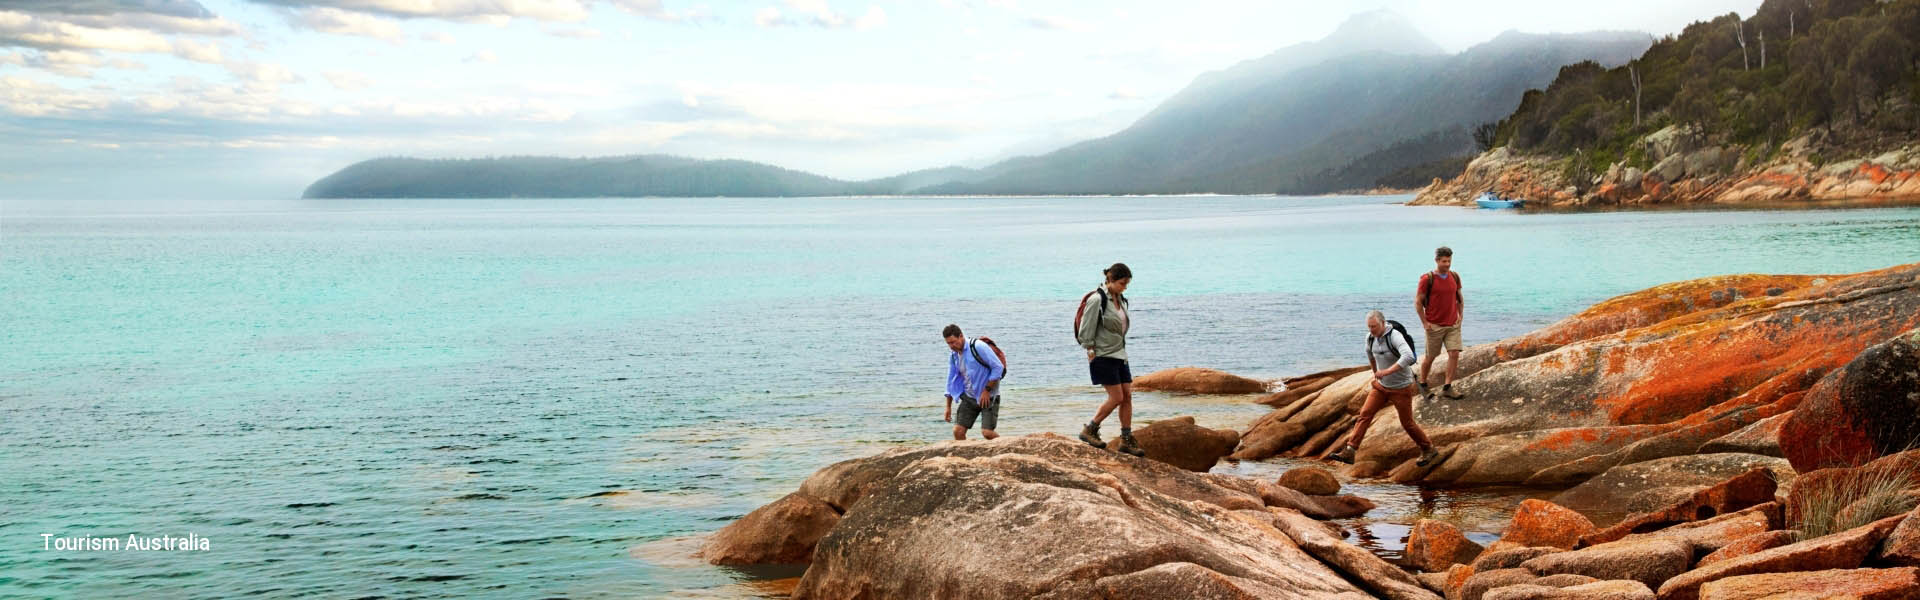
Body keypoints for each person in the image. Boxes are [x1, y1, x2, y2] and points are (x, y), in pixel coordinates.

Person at [1329, 310, 1440, 467]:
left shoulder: (1394, 336)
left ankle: (1428, 448)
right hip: (1381, 387)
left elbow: (1408, 356)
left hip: (1401, 388)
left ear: (1382, 323)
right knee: (1364, 415)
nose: (1371, 330)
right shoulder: (1369, 338)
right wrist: (1376, 375)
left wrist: (1387, 371)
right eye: (1369, 327)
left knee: (1407, 423)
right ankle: (1350, 450)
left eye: (1374, 326)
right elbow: (1371, 355)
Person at [1076, 263, 1143, 457]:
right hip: (1103, 355)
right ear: (1111, 280)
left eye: (1127, 283)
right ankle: (1090, 429)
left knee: (1127, 396)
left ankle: (1126, 439)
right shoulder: (1097, 299)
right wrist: (1090, 352)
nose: (1125, 287)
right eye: (1122, 283)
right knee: (1117, 397)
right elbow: (1085, 331)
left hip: (1120, 355)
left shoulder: (1121, 299)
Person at [1416, 246, 1466, 400]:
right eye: (1444, 261)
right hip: (1434, 325)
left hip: (1452, 325)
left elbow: (1459, 298)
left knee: (1454, 353)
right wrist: (1424, 322)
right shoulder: (1427, 279)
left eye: (1449, 261)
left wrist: (1460, 315)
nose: (1447, 264)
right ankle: (1423, 383)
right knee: (1430, 357)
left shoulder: (1455, 277)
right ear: (1437, 260)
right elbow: (1418, 302)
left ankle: (1447, 387)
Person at [942, 324, 1004, 441]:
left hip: (989, 396)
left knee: (987, 433)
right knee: (958, 432)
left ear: (961, 336)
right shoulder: (954, 355)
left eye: (953, 342)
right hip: (969, 397)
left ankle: (1008, 447)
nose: (951, 346)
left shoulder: (978, 347)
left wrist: (986, 390)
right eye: (948, 343)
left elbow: (998, 368)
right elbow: (951, 381)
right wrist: (948, 407)